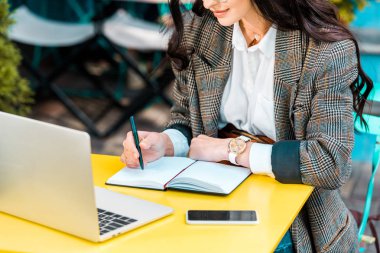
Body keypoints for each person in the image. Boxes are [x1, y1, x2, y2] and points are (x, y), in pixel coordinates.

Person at [121, 0, 373, 251]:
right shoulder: (202, 31)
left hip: (296, 216)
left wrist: (232, 149)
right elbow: (187, 115)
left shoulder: (325, 50)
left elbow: (330, 162)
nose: (209, 3)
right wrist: (166, 143)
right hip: (211, 196)